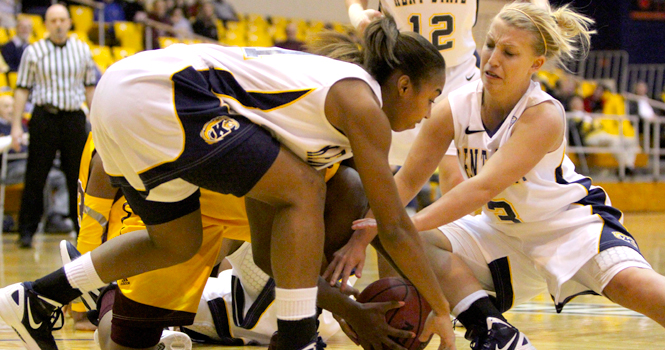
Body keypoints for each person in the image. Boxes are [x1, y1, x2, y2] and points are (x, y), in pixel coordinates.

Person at [0, 16, 456, 350]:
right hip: (159, 95)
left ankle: (36, 298)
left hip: (124, 100)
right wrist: (440, 310)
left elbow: (269, 257)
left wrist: (348, 307)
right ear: (402, 86)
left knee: (175, 241)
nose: (428, 113)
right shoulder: (360, 103)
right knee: (306, 189)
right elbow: (394, 226)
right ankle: (297, 339)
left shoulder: (303, 131)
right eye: (430, 98)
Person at [327, 2, 665, 349]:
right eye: (489, 45)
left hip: (570, 227)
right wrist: (363, 236)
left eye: (509, 52)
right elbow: (407, 181)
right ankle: (494, 332)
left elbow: (480, 188)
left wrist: (400, 227)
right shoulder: (455, 106)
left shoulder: (543, 115)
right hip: (503, 233)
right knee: (407, 238)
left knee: (640, 291)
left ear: (535, 64)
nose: (493, 59)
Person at [9, 4, 97, 248]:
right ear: (46, 24)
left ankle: (82, 231)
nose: (58, 24)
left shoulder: (82, 50)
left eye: (62, 20)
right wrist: (16, 126)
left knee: (77, 178)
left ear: (69, 22)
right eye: (53, 20)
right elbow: (22, 89)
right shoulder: (33, 51)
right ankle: (26, 231)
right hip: (44, 118)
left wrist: (97, 122)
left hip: (73, 118)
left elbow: (90, 87)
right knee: (36, 175)